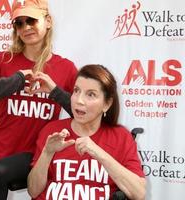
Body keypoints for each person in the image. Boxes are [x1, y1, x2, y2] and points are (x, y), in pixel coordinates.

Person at [0, 0, 77, 200]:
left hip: (35, 156)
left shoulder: (66, 68)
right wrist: (14, 81)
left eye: (31, 20)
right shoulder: (3, 60)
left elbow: (83, 115)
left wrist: (54, 90)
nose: (26, 27)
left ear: (48, 21)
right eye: (19, 23)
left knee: (1, 170)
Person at [28, 64, 146, 200]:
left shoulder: (121, 137)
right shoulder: (52, 130)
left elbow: (139, 193)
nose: (79, 100)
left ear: (107, 104)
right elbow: (33, 191)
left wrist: (97, 152)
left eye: (91, 94)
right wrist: (47, 153)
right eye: (76, 91)